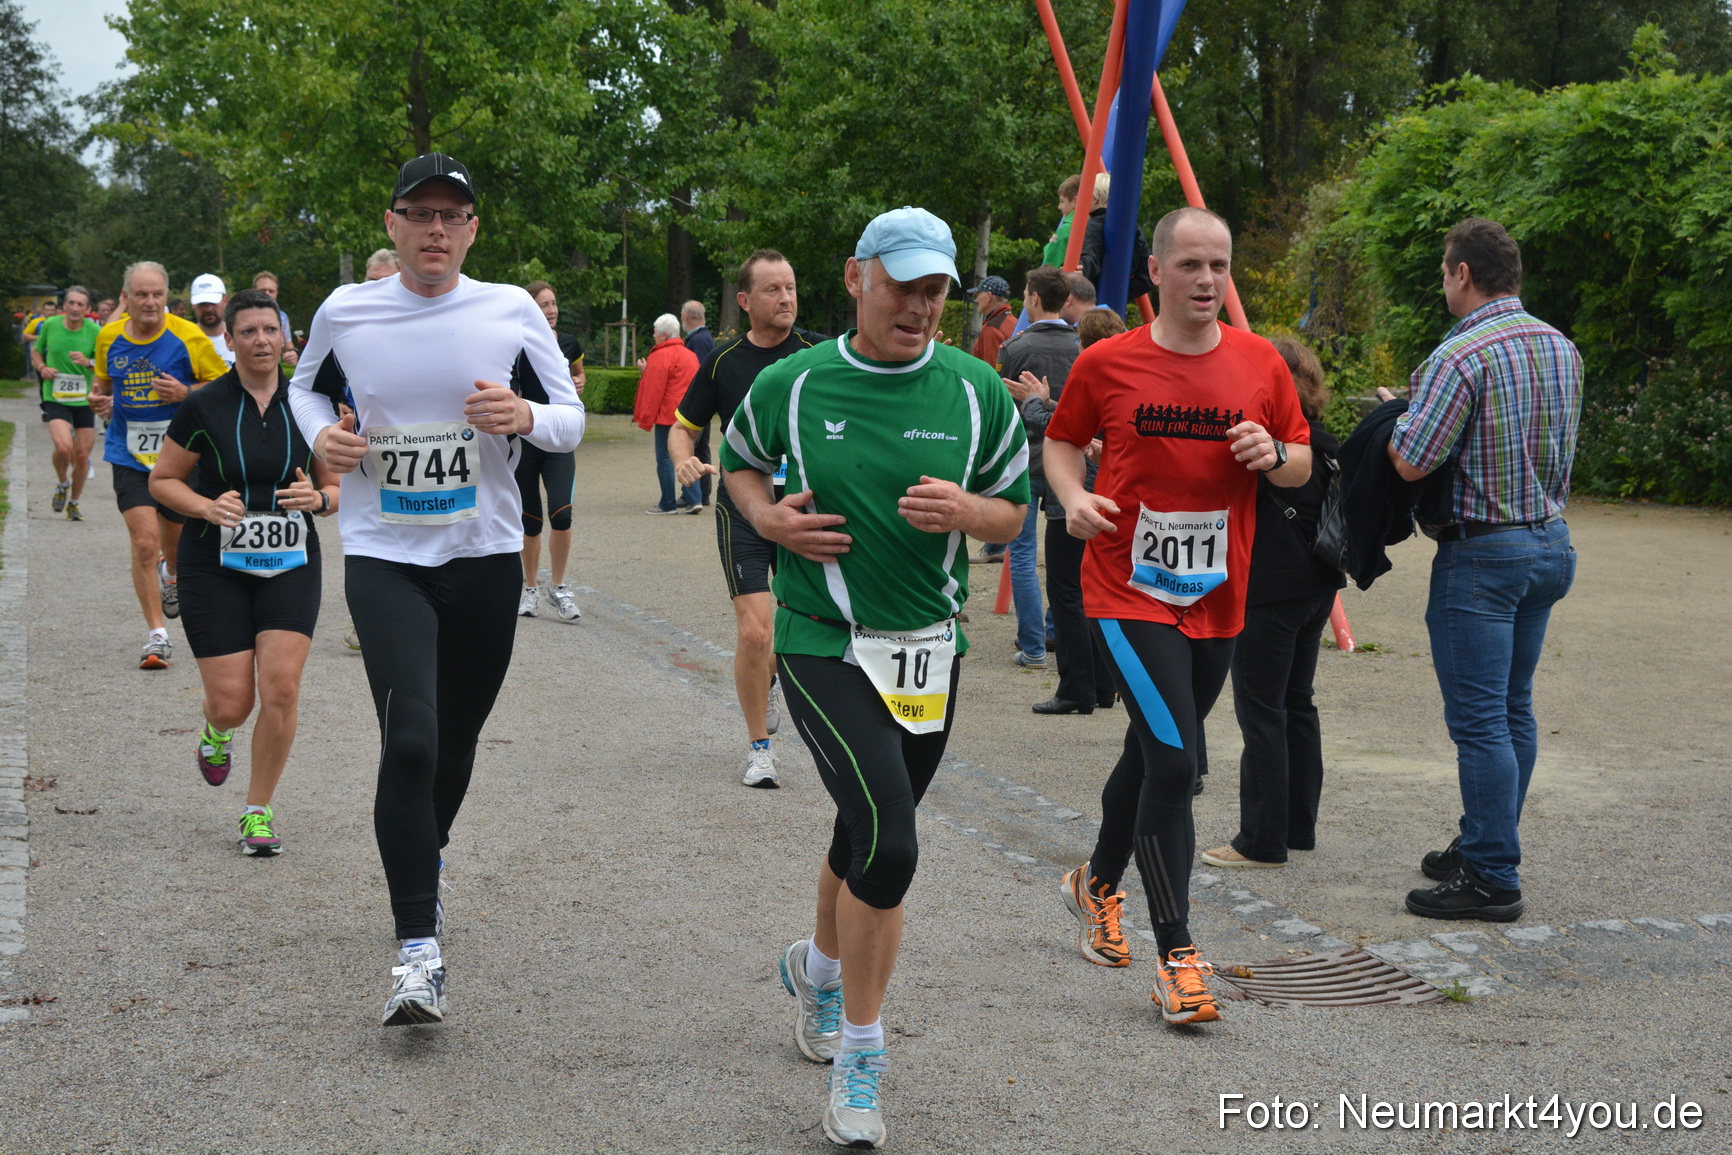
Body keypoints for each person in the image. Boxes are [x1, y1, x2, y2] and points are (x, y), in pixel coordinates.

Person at [722, 206, 1028, 1149]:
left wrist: (969, 509)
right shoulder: (794, 382)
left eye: (937, 289)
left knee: (863, 825)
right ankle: (863, 1055)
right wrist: (770, 522)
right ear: (857, 277)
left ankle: (813, 970)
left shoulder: (978, 389)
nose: (923, 305)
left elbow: (1014, 515)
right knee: (891, 845)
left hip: (931, 646)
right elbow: (737, 466)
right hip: (821, 637)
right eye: (904, 285)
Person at [287, 152, 585, 1026]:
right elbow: (306, 394)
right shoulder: (347, 310)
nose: (435, 231)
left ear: (473, 230)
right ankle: (418, 949)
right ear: (392, 224)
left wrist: (526, 417)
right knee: (410, 739)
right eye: (418, 214)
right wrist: (325, 442)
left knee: (453, 747)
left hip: (487, 556)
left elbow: (566, 417)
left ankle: (425, 850)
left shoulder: (510, 309)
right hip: (385, 556)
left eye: (452, 217)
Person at [1045, 206, 1311, 1026]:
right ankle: (1178, 956)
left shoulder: (1262, 362)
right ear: (1154, 272)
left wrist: (1275, 457)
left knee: (1153, 751)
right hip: (1126, 589)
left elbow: (1302, 460)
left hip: (1217, 595)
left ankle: (1094, 881)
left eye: (1219, 266)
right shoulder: (1108, 361)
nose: (1206, 280)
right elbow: (1062, 441)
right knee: (1175, 765)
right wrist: (1072, 497)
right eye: (1191, 265)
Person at [1385, 218, 1581, 923]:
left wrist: (1395, 416)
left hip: (1483, 552)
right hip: (1550, 541)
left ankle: (1493, 873)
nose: (1444, 280)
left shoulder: (1460, 354)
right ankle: (1483, 837)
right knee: (1513, 707)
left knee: (1480, 722)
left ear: (1463, 273)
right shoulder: (1561, 345)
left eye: (1445, 270)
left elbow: (1413, 460)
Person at [148, 289, 338, 856]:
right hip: (216, 562)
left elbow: (335, 489)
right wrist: (206, 507)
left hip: (290, 561)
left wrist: (319, 500)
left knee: (280, 685)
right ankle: (215, 729)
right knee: (234, 702)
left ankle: (257, 811)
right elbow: (163, 480)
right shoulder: (203, 405)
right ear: (228, 340)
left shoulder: (311, 406)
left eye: (269, 330)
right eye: (248, 332)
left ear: (286, 339)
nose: (260, 341)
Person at [669, 249, 823, 787]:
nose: (785, 298)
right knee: (756, 633)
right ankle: (761, 749)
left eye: (790, 287)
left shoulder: (818, 353)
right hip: (744, 511)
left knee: (801, 626)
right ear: (744, 300)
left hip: (805, 511)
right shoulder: (721, 360)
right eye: (772, 289)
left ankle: (776, 677)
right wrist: (682, 456)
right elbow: (682, 426)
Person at [1202, 338, 1346, 868]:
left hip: (1267, 587)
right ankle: (1297, 826)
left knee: (1261, 710)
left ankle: (1260, 839)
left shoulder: (1262, 443)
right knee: (1297, 704)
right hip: (1316, 584)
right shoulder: (1324, 444)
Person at [90, 261, 230, 669]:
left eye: (157, 295)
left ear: (168, 298)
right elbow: (102, 387)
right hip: (128, 453)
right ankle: (157, 635)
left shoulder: (188, 336)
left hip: (178, 455)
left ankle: (173, 576)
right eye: (141, 295)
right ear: (127, 299)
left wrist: (186, 391)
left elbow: (223, 386)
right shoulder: (108, 337)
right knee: (144, 542)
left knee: (174, 546)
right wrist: (98, 401)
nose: (149, 302)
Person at [1029, 306, 1123, 714]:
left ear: (1082, 343)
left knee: (1067, 593)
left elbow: (1061, 428)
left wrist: (1035, 404)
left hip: (1076, 495)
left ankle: (1076, 688)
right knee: (1100, 595)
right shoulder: (1131, 377)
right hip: (1113, 496)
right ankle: (1104, 685)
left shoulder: (1092, 374)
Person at [998, 266, 1080, 671]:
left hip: (1024, 461)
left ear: (1032, 297)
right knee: (1067, 564)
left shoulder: (1015, 349)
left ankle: (1032, 646)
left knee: (1023, 554)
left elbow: (1005, 412)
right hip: (1070, 462)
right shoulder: (1083, 348)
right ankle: (1055, 630)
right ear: (1066, 300)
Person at [514, 279, 587, 621]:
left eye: (554, 303)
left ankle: (558, 587)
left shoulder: (569, 343)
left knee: (563, 513)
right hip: (526, 440)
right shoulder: (517, 344)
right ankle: (529, 588)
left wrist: (579, 382)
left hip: (558, 441)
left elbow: (578, 373)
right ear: (531, 309)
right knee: (530, 521)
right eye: (544, 305)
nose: (552, 310)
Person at [31, 286, 99, 521]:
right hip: (55, 396)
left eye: (81, 304)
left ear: (88, 309)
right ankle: (62, 483)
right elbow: (36, 351)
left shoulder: (94, 331)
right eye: (71, 303)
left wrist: (88, 361)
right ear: (64, 306)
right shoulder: (50, 325)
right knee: (63, 447)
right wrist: (42, 368)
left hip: (83, 399)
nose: (75, 308)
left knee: (81, 456)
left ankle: (74, 502)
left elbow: (105, 364)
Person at [634, 314, 701, 514]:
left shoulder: (659, 356)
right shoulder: (690, 354)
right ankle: (694, 498)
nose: (653, 335)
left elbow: (653, 391)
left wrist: (645, 420)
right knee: (687, 455)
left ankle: (667, 503)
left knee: (664, 458)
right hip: (689, 415)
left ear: (663, 334)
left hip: (667, 416)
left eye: (655, 332)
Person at [1079, 174, 1153, 307]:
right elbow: (1147, 273)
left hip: (1091, 302)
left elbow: (1090, 258)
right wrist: (1122, 293)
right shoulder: (1132, 228)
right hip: (1116, 301)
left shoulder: (1094, 225)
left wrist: (1079, 277)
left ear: (1095, 200)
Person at [966, 274, 1016, 369]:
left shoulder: (992, 329)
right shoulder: (1013, 321)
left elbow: (991, 372)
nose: (976, 300)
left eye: (978, 295)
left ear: (989, 296)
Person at [251, 271, 298, 366]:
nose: (267, 294)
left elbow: (286, 343)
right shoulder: (242, 316)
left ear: (276, 293)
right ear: (253, 291)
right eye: (262, 290)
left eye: (271, 291)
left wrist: (292, 353)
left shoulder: (283, 318)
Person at [189, 275, 234, 364]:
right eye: (202, 304)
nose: (208, 309)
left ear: (225, 301)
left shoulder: (238, 337)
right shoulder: (185, 340)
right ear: (193, 305)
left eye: (213, 303)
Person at [1043, 174, 1083, 267]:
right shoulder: (1094, 223)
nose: (1059, 207)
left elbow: (1049, 265)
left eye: (1062, 201)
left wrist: (1050, 245)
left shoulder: (1065, 230)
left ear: (1075, 202)